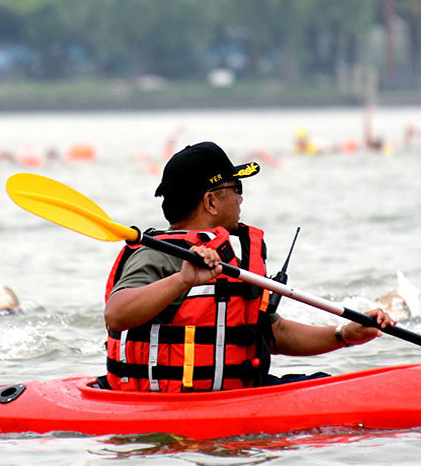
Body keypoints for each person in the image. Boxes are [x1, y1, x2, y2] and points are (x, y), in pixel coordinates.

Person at [102, 141, 395, 393]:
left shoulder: (228, 253)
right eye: (236, 188)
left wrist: (343, 335)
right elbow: (116, 314)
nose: (241, 198)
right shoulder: (157, 254)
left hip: (240, 394)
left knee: (327, 384)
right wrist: (182, 280)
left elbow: (270, 332)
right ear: (211, 202)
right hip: (175, 403)